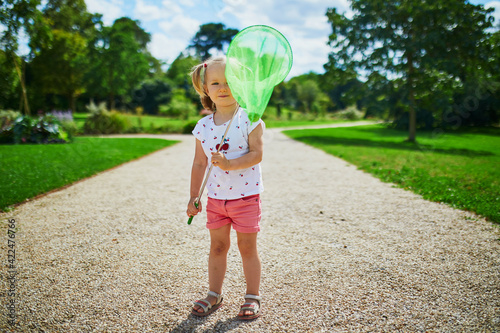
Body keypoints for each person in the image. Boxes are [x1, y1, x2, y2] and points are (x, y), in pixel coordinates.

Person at [186, 56, 265, 320]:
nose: (223, 88)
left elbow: (256, 155)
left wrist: (230, 164)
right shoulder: (204, 127)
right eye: (216, 83)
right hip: (216, 199)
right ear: (206, 89)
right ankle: (214, 293)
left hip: (245, 197)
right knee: (217, 247)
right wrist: (193, 196)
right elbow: (199, 163)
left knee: (247, 247)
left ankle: (252, 296)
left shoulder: (249, 118)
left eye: (230, 81)